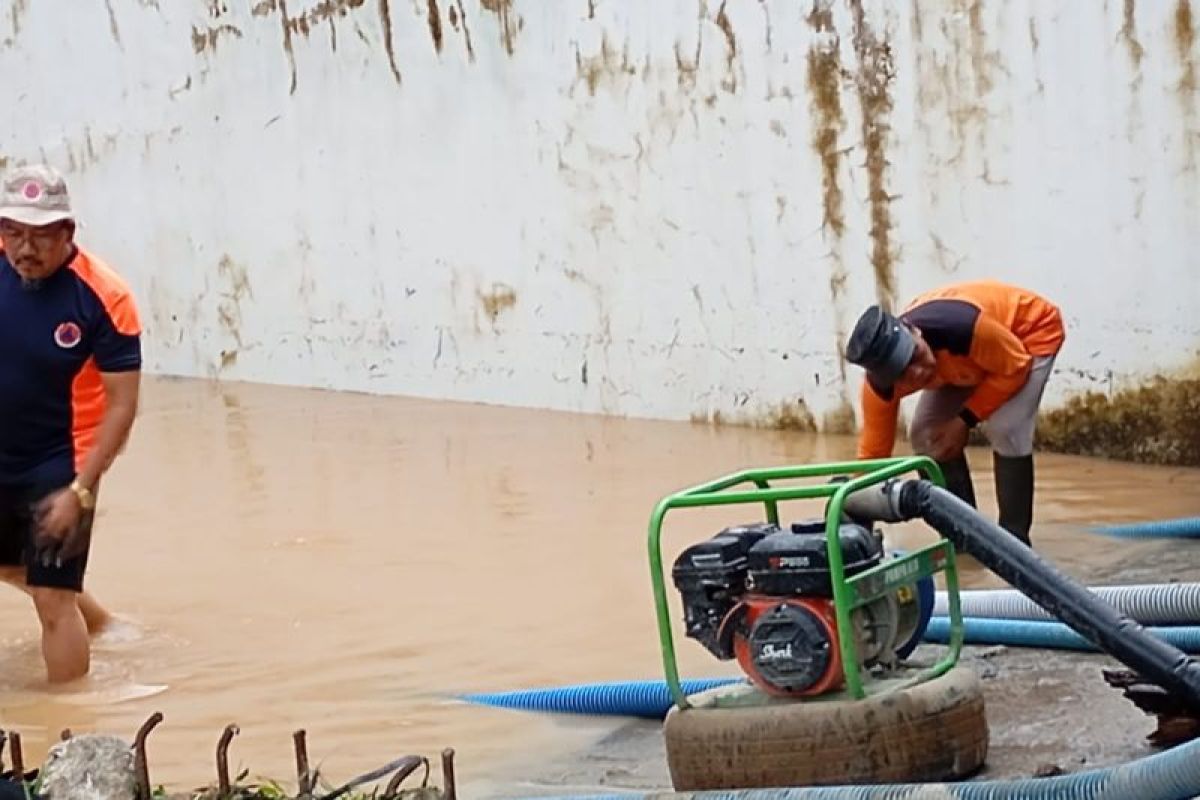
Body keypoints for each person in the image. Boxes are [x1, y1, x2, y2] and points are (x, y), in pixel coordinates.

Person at [0, 163, 143, 683]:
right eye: (12, 232)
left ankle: (66, 729)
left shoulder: (104, 297)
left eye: (40, 235)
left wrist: (81, 491)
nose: (25, 249)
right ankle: (104, 622)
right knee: (13, 568)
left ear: (68, 233)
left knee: (51, 599)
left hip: (61, 463)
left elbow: (123, 406)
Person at [844, 279, 1065, 546]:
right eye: (904, 373)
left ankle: (1014, 543)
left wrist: (964, 419)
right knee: (927, 438)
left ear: (916, 333)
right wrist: (850, 508)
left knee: (1005, 427)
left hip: (1026, 336)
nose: (918, 372)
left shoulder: (961, 328)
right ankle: (963, 540)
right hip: (967, 361)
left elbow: (1016, 367)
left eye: (914, 356)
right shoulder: (880, 389)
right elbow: (872, 457)